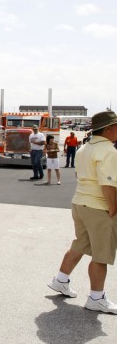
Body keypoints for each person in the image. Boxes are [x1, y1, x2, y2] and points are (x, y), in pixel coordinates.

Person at [47, 110, 117, 314]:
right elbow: (108, 184)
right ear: (109, 128)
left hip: (80, 203)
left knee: (80, 244)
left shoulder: (84, 148)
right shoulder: (109, 152)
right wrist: (113, 208)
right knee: (101, 255)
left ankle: (61, 280)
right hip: (99, 206)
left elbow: (80, 175)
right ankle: (96, 297)